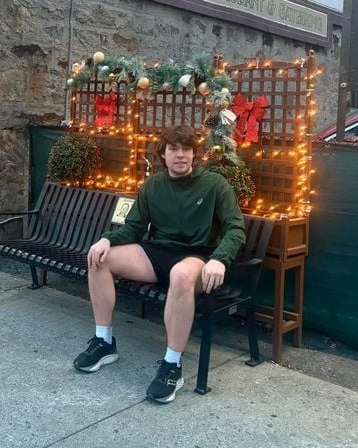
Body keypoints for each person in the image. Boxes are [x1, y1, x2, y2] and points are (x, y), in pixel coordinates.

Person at [73, 124, 246, 403]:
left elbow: (235, 228)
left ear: (194, 154)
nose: (180, 155)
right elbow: (134, 226)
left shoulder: (214, 184)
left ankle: (172, 365)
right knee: (99, 259)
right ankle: (104, 342)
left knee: (180, 275)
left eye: (186, 149)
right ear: (162, 155)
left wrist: (219, 259)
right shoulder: (153, 185)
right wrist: (106, 240)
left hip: (197, 258)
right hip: (157, 253)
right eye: (173, 149)